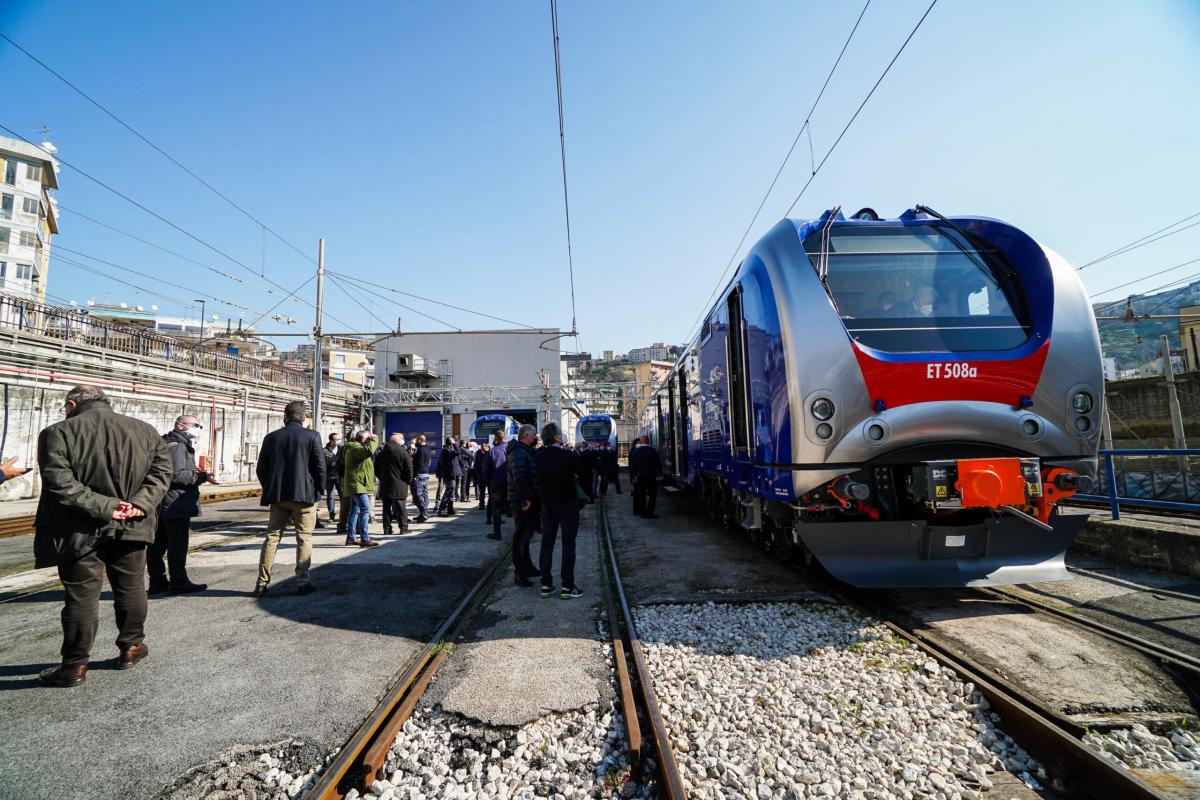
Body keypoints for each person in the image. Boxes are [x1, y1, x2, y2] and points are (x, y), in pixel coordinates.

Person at [34, 385, 172, 687]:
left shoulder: (57, 433)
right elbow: (162, 472)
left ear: (72, 404)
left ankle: (74, 666)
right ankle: (132, 647)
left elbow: (60, 482)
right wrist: (139, 504)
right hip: (134, 524)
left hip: (79, 529)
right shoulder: (146, 431)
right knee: (132, 586)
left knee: (82, 596)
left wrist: (107, 507)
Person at [254, 400, 327, 597]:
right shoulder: (312, 436)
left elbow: (261, 468)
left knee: (272, 537)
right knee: (304, 537)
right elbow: (320, 467)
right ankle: (303, 582)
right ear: (304, 418)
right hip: (304, 497)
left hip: (278, 497)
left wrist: (270, 488)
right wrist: (318, 491)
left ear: (285, 417)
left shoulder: (271, 437)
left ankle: (261, 583)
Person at [147, 415, 215, 595]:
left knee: (157, 544)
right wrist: (202, 477)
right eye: (195, 425)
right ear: (180, 426)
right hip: (175, 503)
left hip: (164, 502)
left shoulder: (169, 443)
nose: (198, 428)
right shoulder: (177, 446)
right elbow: (176, 475)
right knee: (176, 545)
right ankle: (178, 582)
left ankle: (158, 582)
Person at [535, 422, 583, 599]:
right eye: (561, 433)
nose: (562, 435)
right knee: (568, 545)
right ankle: (567, 586)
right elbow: (582, 473)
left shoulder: (538, 456)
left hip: (547, 504)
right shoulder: (567, 455)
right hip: (568, 503)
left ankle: (546, 585)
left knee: (546, 544)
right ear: (556, 437)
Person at [507, 424, 540, 585]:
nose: (536, 438)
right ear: (526, 436)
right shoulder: (518, 452)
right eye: (534, 435)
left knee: (527, 535)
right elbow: (519, 476)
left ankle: (527, 566)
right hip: (521, 500)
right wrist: (527, 498)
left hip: (527, 499)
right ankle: (519, 573)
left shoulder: (525, 451)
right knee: (520, 537)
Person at [344, 430, 381, 546]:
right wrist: (374, 438)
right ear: (362, 439)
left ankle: (351, 537)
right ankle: (364, 539)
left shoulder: (356, 447)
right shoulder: (355, 448)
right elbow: (369, 451)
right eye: (367, 439)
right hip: (357, 485)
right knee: (365, 508)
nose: (369, 441)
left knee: (354, 511)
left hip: (358, 484)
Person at [376, 433, 412, 535]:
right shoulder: (403, 452)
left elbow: (376, 469)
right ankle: (403, 528)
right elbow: (409, 469)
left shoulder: (381, 453)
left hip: (386, 485)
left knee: (386, 508)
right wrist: (407, 481)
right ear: (399, 440)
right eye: (402, 438)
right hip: (400, 485)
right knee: (401, 508)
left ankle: (387, 529)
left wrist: (382, 478)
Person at [630, 435, 664, 518]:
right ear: (648, 441)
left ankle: (643, 513)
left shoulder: (636, 452)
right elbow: (658, 464)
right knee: (653, 495)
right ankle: (650, 512)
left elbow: (632, 466)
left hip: (640, 476)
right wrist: (660, 474)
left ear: (641, 442)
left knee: (641, 495)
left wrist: (633, 477)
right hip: (651, 476)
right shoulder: (653, 451)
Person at [484, 432, 508, 539]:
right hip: (512, 483)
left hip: (496, 483)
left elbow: (485, 469)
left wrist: (489, 480)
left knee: (496, 509)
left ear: (496, 439)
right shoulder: (511, 449)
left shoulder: (493, 451)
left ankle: (497, 533)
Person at [436, 436, 463, 516]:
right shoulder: (446, 451)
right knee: (449, 491)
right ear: (451, 442)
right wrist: (454, 444)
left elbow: (458, 455)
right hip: (448, 474)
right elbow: (458, 452)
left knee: (451, 493)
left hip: (451, 474)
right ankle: (441, 509)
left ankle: (450, 509)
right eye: (453, 441)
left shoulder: (449, 450)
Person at [322, 432, 343, 528]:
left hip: (340, 475)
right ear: (331, 440)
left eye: (339, 439)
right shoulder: (325, 451)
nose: (339, 441)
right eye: (337, 439)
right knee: (330, 496)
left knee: (342, 495)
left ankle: (343, 515)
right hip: (329, 476)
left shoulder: (342, 449)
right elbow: (323, 464)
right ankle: (331, 514)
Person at [411, 434, 431, 522]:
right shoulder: (428, 449)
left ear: (419, 441)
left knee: (417, 495)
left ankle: (424, 512)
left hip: (419, 475)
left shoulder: (420, 450)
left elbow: (418, 463)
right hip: (426, 474)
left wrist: (414, 475)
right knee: (424, 494)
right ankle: (423, 512)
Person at [474, 443, 490, 512]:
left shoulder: (489, 452)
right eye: (481, 447)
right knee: (482, 492)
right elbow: (476, 463)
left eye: (484, 446)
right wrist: (477, 472)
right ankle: (481, 505)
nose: (482, 448)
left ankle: (490, 505)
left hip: (488, 475)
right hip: (480, 475)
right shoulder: (478, 453)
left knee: (490, 492)